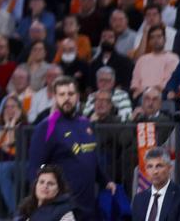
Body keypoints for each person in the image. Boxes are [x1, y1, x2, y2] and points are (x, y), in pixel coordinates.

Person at [27, 77, 116, 220]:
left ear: (78, 96)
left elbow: (91, 155)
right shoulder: (46, 127)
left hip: (88, 202)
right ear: (55, 97)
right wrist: (39, 199)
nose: (66, 98)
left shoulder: (85, 123)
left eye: (70, 94)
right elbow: (34, 167)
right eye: (62, 94)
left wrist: (105, 181)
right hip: (62, 207)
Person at [132, 148, 180, 221]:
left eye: (159, 166)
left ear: (170, 168)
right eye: (150, 166)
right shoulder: (139, 199)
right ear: (146, 170)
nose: (155, 171)